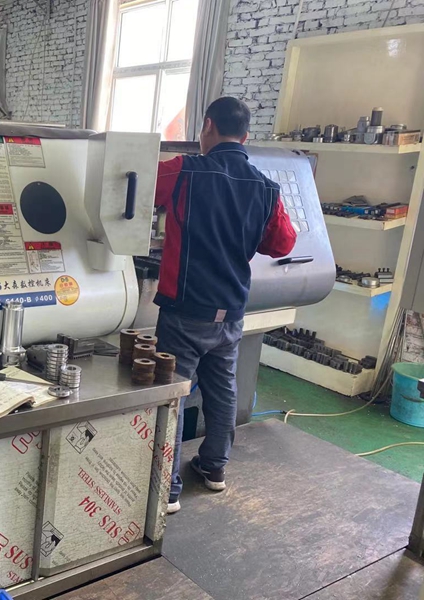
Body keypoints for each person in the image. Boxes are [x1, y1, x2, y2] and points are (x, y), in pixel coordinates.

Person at [153, 97, 297, 514]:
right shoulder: (266, 188)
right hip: (230, 312)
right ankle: (214, 468)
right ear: (246, 136)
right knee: (223, 390)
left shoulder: (183, 170)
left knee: (173, 393)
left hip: (185, 310)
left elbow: (131, 189)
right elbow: (282, 244)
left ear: (207, 126)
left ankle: (168, 489)